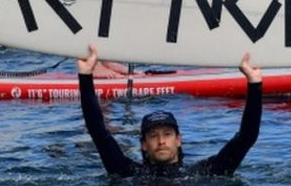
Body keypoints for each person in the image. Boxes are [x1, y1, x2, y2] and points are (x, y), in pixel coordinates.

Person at [77, 44, 262, 179]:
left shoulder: (203, 172)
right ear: (143, 144)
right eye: (153, 136)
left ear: (178, 139)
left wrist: (254, 83)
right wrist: (85, 76)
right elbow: (98, 133)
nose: (161, 141)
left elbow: (246, 137)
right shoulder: (128, 172)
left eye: (167, 134)